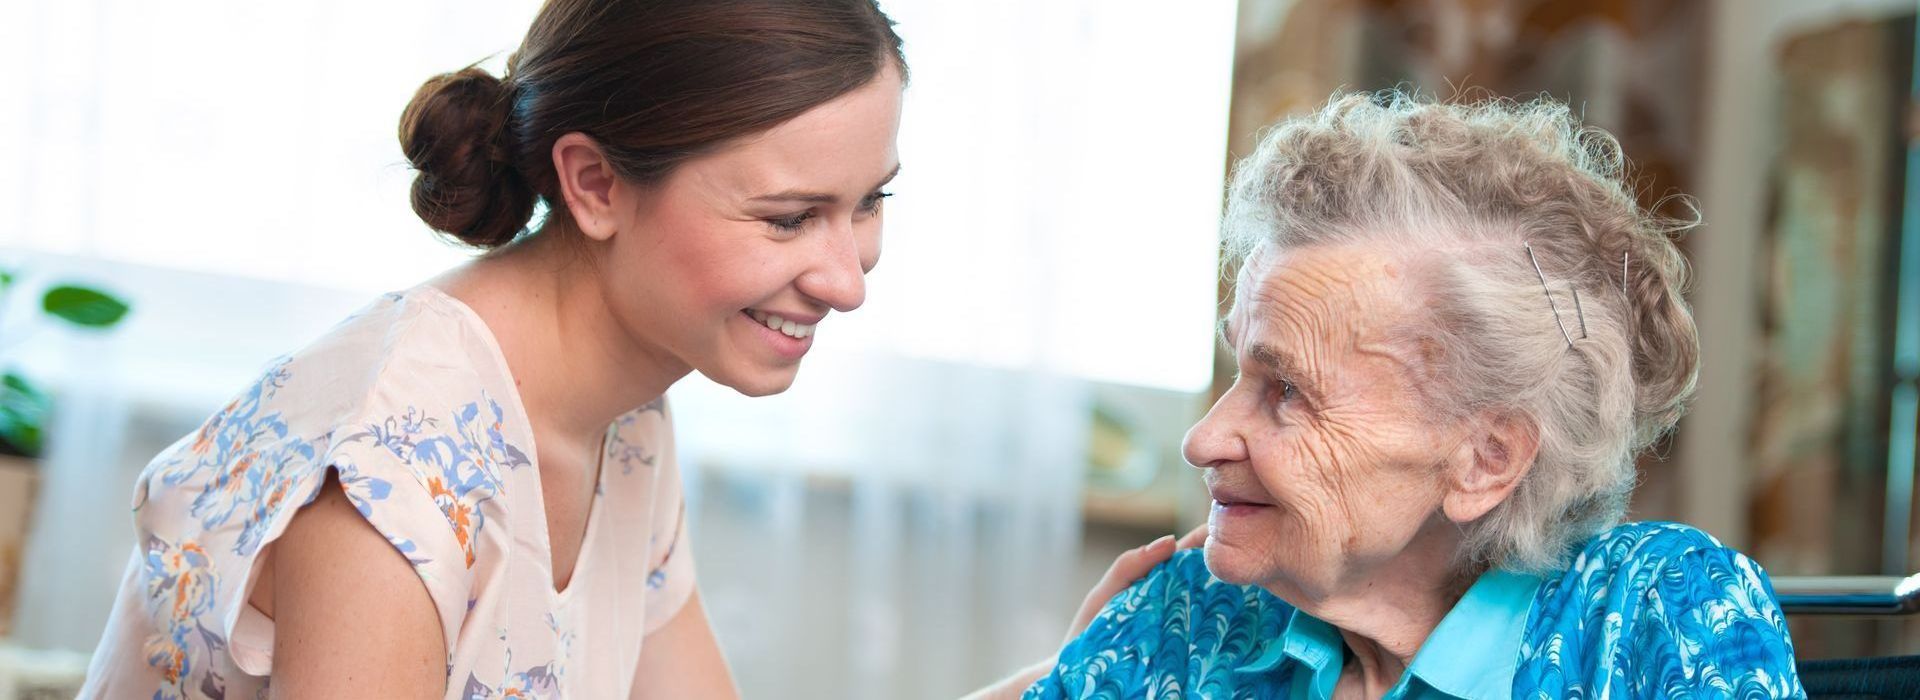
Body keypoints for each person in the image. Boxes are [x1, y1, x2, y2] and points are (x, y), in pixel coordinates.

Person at [81, 1, 906, 696]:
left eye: (870, 202)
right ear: (595, 184)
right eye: (789, 218)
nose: (848, 282)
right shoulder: (389, 471)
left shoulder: (626, 412)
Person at [1024, 92, 1805, 699]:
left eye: (1288, 390)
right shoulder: (1191, 614)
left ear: (1485, 460)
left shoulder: (1653, 614)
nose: (1202, 440)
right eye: (1240, 374)